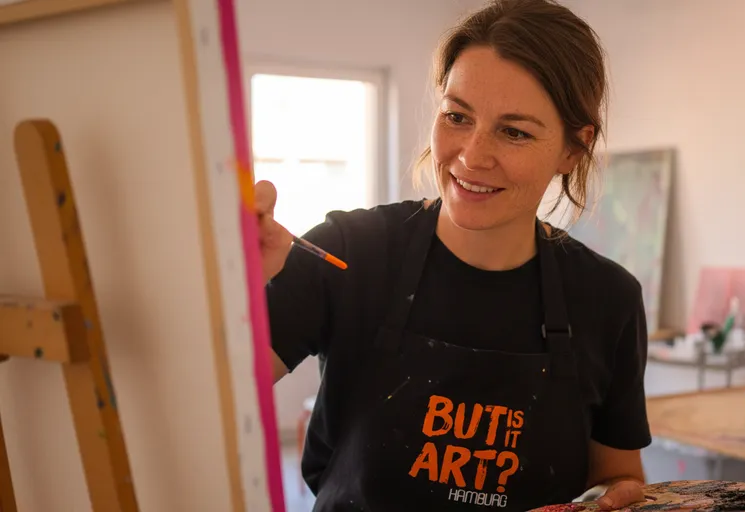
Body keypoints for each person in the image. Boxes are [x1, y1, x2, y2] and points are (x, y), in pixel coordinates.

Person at [257, 0, 651, 510]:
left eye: (514, 131)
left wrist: (619, 498)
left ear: (573, 149)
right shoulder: (347, 252)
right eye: (457, 117)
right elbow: (210, 398)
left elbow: (617, 478)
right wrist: (225, 282)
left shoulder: (608, 299)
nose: (471, 155)